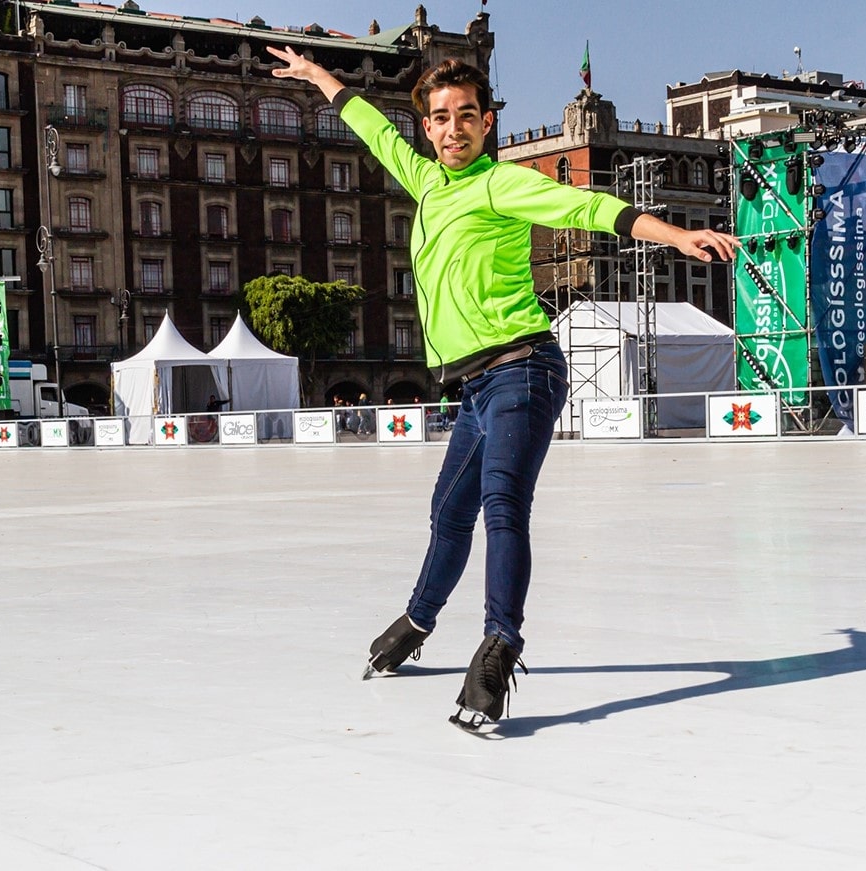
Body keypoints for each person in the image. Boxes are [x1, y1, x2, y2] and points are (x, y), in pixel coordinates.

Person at [270, 46, 739, 729]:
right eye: (439, 118)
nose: (453, 128)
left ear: (486, 123)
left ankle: (498, 649)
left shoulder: (502, 184)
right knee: (447, 513)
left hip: (523, 368)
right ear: (426, 129)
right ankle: (416, 620)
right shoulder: (425, 180)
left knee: (501, 504)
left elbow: (590, 207)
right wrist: (318, 78)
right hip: (474, 387)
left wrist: (673, 234)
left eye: (466, 116)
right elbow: (371, 126)